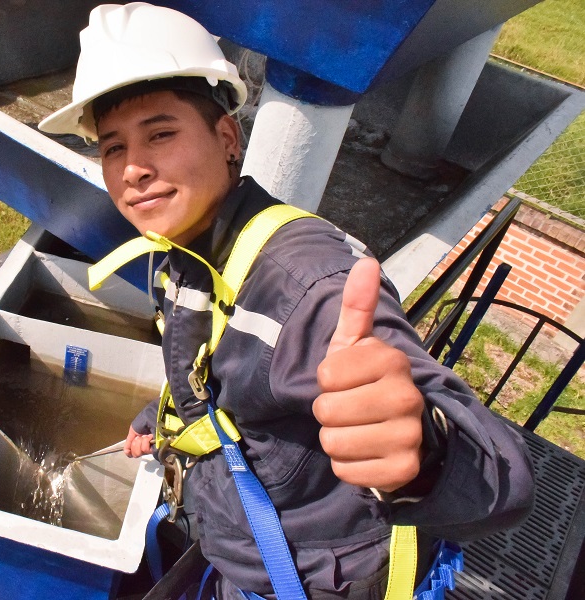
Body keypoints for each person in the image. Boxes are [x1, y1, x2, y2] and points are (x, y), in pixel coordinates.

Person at [39, 4, 534, 599]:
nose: (135, 169)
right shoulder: (189, 250)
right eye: (114, 148)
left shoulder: (306, 285)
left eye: (161, 133)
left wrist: (423, 456)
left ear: (227, 137)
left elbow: (502, 482)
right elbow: (215, 376)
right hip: (242, 550)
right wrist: (160, 422)